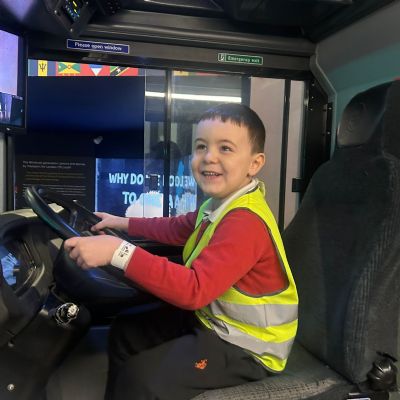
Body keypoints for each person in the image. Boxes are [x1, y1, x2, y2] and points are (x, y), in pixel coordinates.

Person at [64, 103, 298, 400]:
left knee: (143, 378)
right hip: (213, 320)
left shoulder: (245, 221)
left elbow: (194, 290)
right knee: (126, 330)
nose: (209, 157)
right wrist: (120, 223)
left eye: (225, 148)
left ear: (254, 164)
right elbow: (178, 227)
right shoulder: (219, 204)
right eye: (201, 147)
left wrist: (118, 252)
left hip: (248, 346)